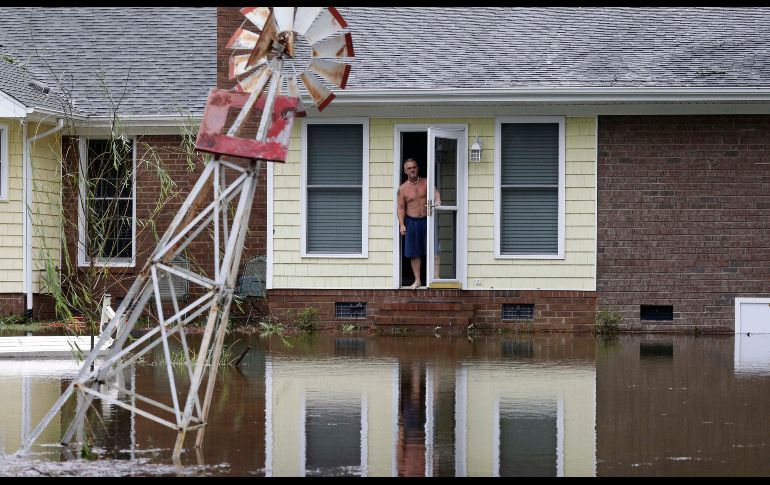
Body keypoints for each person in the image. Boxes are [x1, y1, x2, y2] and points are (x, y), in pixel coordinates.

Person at [397, 158, 441, 290]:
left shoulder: (426, 182)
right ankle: (417, 280)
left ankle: (437, 278)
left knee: (434, 248)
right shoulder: (402, 189)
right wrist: (402, 224)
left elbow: (435, 193)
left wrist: (438, 201)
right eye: (409, 168)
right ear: (405, 171)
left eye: (414, 167)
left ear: (417, 168)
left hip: (428, 219)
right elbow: (400, 208)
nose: (412, 170)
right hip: (412, 221)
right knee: (414, 252)